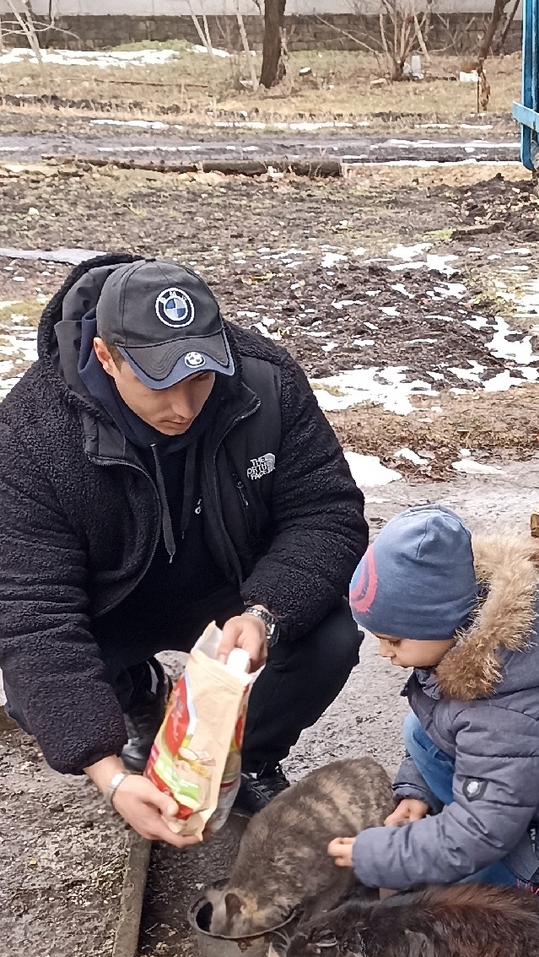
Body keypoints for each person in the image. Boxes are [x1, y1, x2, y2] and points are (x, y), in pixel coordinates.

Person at [0, 255, 368, 845]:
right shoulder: (30, 433)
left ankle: (247, 758)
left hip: (234, 590)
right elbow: (33, 615)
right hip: (111, 600)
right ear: (105, 357)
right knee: (29, 686)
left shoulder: (265, 380)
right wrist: (109, 775)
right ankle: (141, 696)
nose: (184, 408)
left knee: (331, 631)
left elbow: (327, 513)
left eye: (200, 380)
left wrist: (267, 611)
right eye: (160, 384)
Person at [326, 506, 539, 914]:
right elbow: (438, 725)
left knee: (463, 906)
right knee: (420, 729)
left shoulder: (506, 708)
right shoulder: (464, 642)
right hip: (533, 782)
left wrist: (379, 855)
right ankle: (471, 815)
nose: (383, 652)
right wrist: (418, 790)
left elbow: (483, 832)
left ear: (442, 623)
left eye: (393, 639)